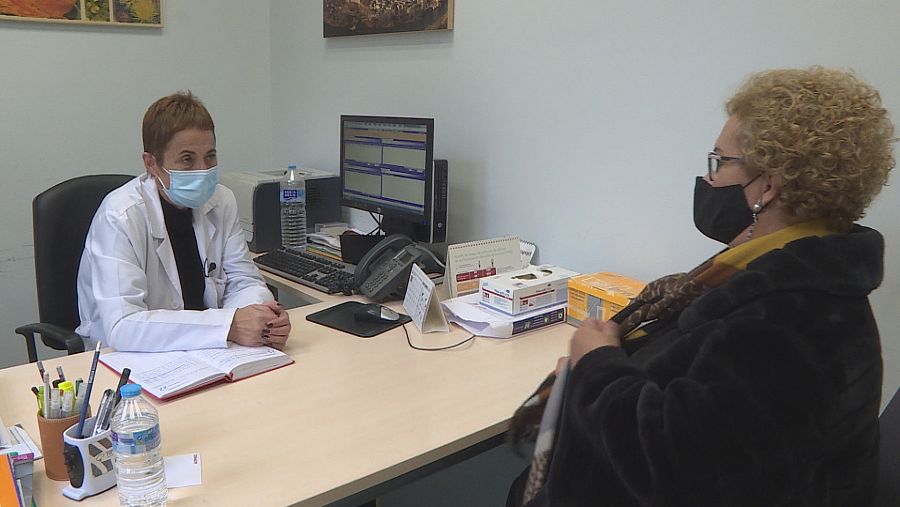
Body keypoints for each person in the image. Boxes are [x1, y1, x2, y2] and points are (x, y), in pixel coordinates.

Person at [508, 67, 895, 506]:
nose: (709, 180)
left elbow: (679, 470)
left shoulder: (797, 318)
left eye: (720, 161)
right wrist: (589, 369)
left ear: (766, 186)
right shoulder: (766, 271)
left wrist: (597, 366)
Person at [76, 91, 291, 352]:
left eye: (210, 156)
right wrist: (229, 325)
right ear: (151, 164)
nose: (202, 170)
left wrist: (263, 320)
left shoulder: (222, 201)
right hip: (129, 360)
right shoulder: (120, 216)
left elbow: (244, 281)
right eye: (187, 159)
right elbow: (123, 326)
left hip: (209, 353)